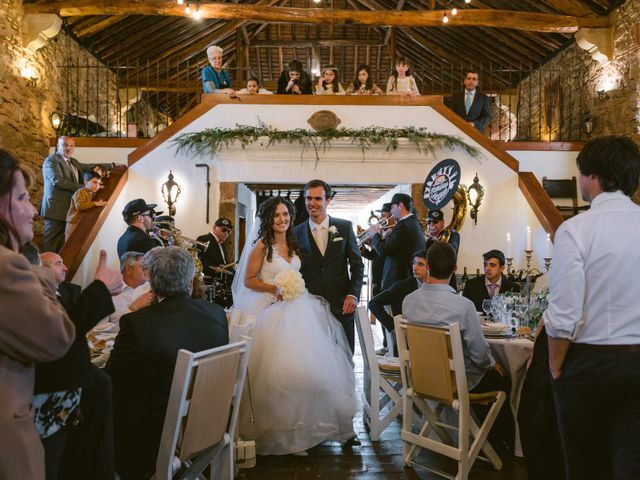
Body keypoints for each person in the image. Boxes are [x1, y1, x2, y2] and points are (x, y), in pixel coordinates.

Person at [544, 135, 640, 479]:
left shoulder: (575, 231)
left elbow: (563, 315)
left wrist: (555, 368)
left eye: (581, 172)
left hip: (590, 364)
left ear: (594, 176)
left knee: (586, 465)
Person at [233, 196, 357, 455]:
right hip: (272, 312)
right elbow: (248, 280)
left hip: (300, 308)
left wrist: (293, 287)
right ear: (269, 219)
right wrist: (274, 288)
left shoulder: (293, 242)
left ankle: (307, 427)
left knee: (310, 372)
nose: (282, 219)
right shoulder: (261, 246)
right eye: (277, 215)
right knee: (279, 376)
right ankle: (283, 433)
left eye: (286, 214)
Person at [107, 246, 228, 479]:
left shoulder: (137, 323)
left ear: (152, 282)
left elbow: (114, 376)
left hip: (159, 428)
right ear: (190, 280)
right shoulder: (216, 313)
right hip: (210, 418)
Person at [0, 149, 75, 480]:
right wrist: (43, 276)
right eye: (21, 198)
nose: (33, 210)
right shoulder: (7, 267)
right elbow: (57, 337)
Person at [403, 241, 513, 453]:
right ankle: (496, 443)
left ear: (429, 266)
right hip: (454, 382)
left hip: (421, 377)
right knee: (502, 379)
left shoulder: (409, 301)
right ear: (455, 269)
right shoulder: (462, 306)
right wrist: (491, 364)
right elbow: (479, 354)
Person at [36, 251, 121, 480]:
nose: (64, 267)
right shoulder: (31, 293)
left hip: (70, 391)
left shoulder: (69, 291)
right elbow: (60, 333)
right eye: (58, 263)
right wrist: (100, 289)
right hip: (48, 396)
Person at [294, 179, 364, 352]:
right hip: (310, 307)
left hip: (342, 305)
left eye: (318, 199)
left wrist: (353, 295)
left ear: (328, 200)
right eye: (309, 198)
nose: (312, 203)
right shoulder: (296, 232)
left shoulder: (344, 227)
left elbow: (357, 265)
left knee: (345, 357)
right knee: (314, 358)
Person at [41, 136, 108, 252]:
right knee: (50, 246)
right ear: (58, 146)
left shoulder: (73, 162)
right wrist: (85, 187)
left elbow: (89, 167)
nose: (69, 148)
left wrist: (111, 165)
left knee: (65, 247)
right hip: (56, 210)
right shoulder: (51, 160)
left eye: (71, 145)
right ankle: (43, 270)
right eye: (65, 145)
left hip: (71, 211)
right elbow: (59, 181)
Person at [368, 249, 428, 348]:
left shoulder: (437, 287)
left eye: (420, 264)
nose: (415, 267)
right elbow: (373, 303)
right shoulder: (401, 286)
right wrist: (393, 326)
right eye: (414, 263)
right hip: (406, 343)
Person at [371, 193, 425, 291]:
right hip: (404, 280)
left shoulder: (404, 225)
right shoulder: (413, 223)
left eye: (392, 207)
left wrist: (375, 234)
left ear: (400, 206)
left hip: (398, 282)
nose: (391, 211)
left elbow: (383, 250)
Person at [91, 251, 153, 334]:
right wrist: (133, 308)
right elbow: (99, 332)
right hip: (120, 343)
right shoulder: (109, 292)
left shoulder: (153, 289)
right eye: (144, 266)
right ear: (129, 269)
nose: (148, 269)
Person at [65, 170, 107, 241]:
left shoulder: (92, 193)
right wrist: (95, 203)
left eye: (99, 183)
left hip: (81, 223)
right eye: (95, 182)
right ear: (85, 182)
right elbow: (79, 206)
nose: (97, 186)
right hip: (73, 223)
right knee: (70, 243)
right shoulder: (81, 192)